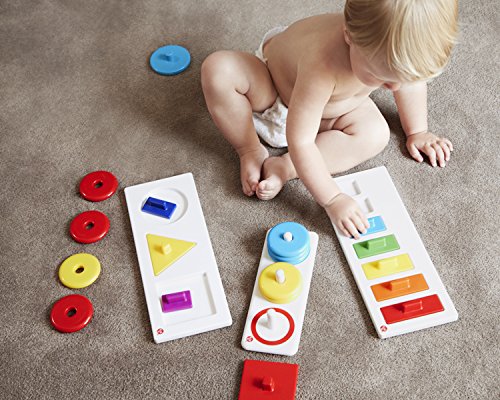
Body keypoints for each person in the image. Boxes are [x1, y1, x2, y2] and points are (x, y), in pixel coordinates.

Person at [201, 0, 458, 238]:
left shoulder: (379, 51)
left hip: (330, 109)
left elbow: (409, 83)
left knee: (375, 133)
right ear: (349, 36)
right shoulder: (322, 64)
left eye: (403, 79)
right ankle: (249, 149)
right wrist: (333, 199)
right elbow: (300, 141)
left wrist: (418, 131)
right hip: (273, 91)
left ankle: (285, 167)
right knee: (219, 69)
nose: (394, 88)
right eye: (380, 77)